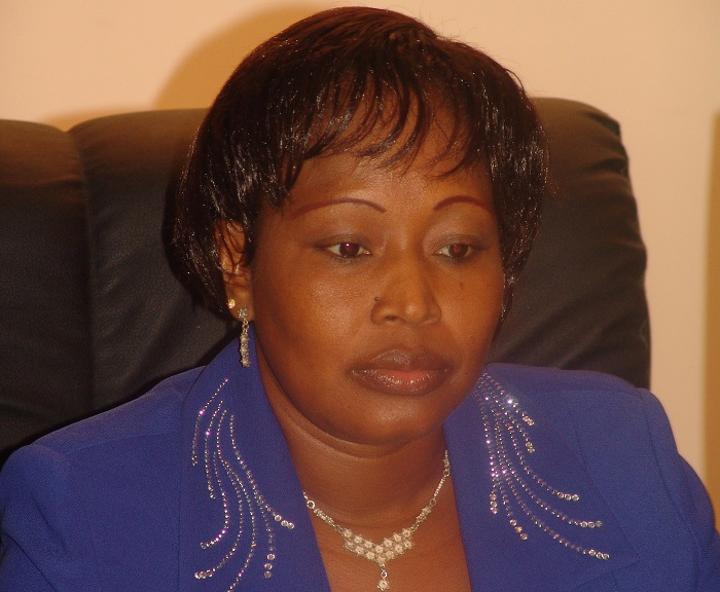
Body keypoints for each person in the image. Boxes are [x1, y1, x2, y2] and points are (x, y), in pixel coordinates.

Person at [1, 6, 718, 592]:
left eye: (457, 249)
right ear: (238, 263)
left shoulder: (626, 457)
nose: (413, 302)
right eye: (348, 247)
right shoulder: (87, 511)